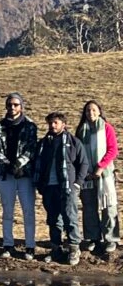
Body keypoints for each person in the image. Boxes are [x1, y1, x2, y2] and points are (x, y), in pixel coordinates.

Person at [34, 112, 88, 267]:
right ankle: (56, 249)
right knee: (53, 219)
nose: (52, 125)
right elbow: (37, 164)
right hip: (49, 187)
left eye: (56, 122)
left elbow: (83, 163)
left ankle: (74, 248)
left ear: (63, 124)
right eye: (50, 123)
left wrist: (77, 183)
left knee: (70, 218)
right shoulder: (44, 143)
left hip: (67, 187)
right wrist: (40, 184)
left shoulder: (73, 142)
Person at [0, 93, 38, 259]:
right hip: (6, 175)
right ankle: (7, 244)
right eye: (10, 104)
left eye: (16, 104)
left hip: (24, 175)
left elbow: (31, 148)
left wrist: (18, 164)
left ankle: (30, 246)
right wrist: (7, 165)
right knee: (7, 210)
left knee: (28, 211)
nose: (12, 107)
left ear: (21, 106)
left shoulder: (30, 125)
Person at [75, 100, 120, 254]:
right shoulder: (81, 131)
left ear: (100, 111)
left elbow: (113, 150)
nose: (91, 113)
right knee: (89, 207)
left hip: (104, 175)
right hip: (87, 176)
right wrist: (85, 171)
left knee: (108, 206)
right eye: (88, 110)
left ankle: (111, 239)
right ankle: (93, 237)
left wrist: (100, 167)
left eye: (94, 110)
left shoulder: (107, 128)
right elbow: (78, 153)